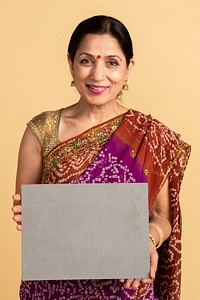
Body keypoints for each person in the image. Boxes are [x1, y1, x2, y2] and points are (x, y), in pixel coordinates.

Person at [12, 15, 191, 300]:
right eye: (86, 61)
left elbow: (161, 217)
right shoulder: (42, 131)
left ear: (129, 68)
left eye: (112, 62)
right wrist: (29, 215)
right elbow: (31, 217)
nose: (98, 75)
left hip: (126, 288)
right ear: (70, 62)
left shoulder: (151, 136)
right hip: (53, 288)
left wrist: (147, 239)